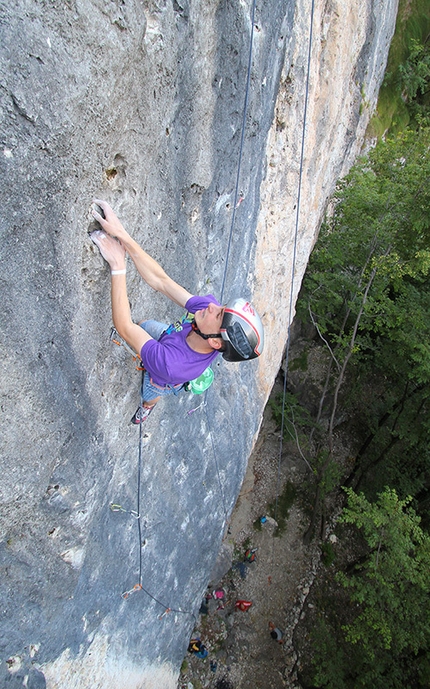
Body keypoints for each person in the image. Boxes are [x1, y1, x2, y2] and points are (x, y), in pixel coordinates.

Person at [90, 200, 264, 424]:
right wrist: (122, 235)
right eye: (222, 308)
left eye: (219, 314)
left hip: (164, 375)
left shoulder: (171, 364)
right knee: (145, 325)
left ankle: (147, 408)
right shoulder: (208, 314)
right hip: (172, 337)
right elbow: (161, 281)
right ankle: (150, 347)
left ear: (216, 343)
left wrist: (118, 265)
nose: (212, 305)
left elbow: (124, 327)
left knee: (150, 392)